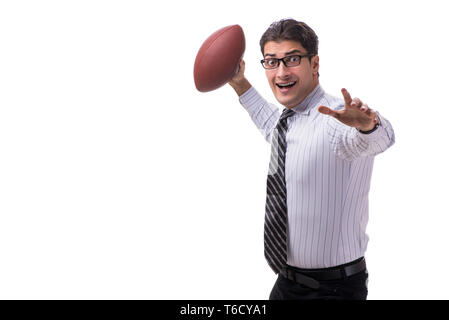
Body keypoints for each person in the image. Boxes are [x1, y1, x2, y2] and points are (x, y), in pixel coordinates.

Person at [228, 19, 395, 300]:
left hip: (334, 289)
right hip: (286, 282)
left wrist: (368, 125)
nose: (281, 72)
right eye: (271, 62)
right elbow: (269, 123)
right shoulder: (286, 123)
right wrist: (240, 83)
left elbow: (382, 139)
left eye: (292, 59)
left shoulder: (337, 118)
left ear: (314, 64)